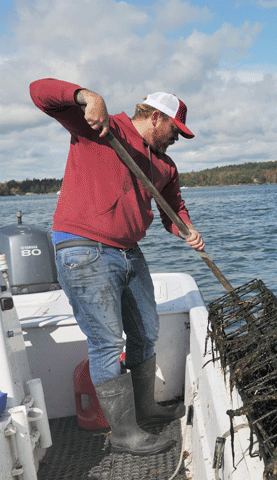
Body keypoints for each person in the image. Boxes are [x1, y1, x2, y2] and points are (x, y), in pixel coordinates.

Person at [30, 78, 205, 456]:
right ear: (156, 118)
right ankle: (125, 433)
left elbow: (172, 209)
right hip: (84, 249)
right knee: (108, 342)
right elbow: (38, 91)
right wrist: (86, 97)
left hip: (128, 251)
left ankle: (146, 409)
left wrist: (186, 229)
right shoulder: (100, 125)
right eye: (176, 130)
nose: (177, 139)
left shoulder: (165, 165)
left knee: (146, 330)